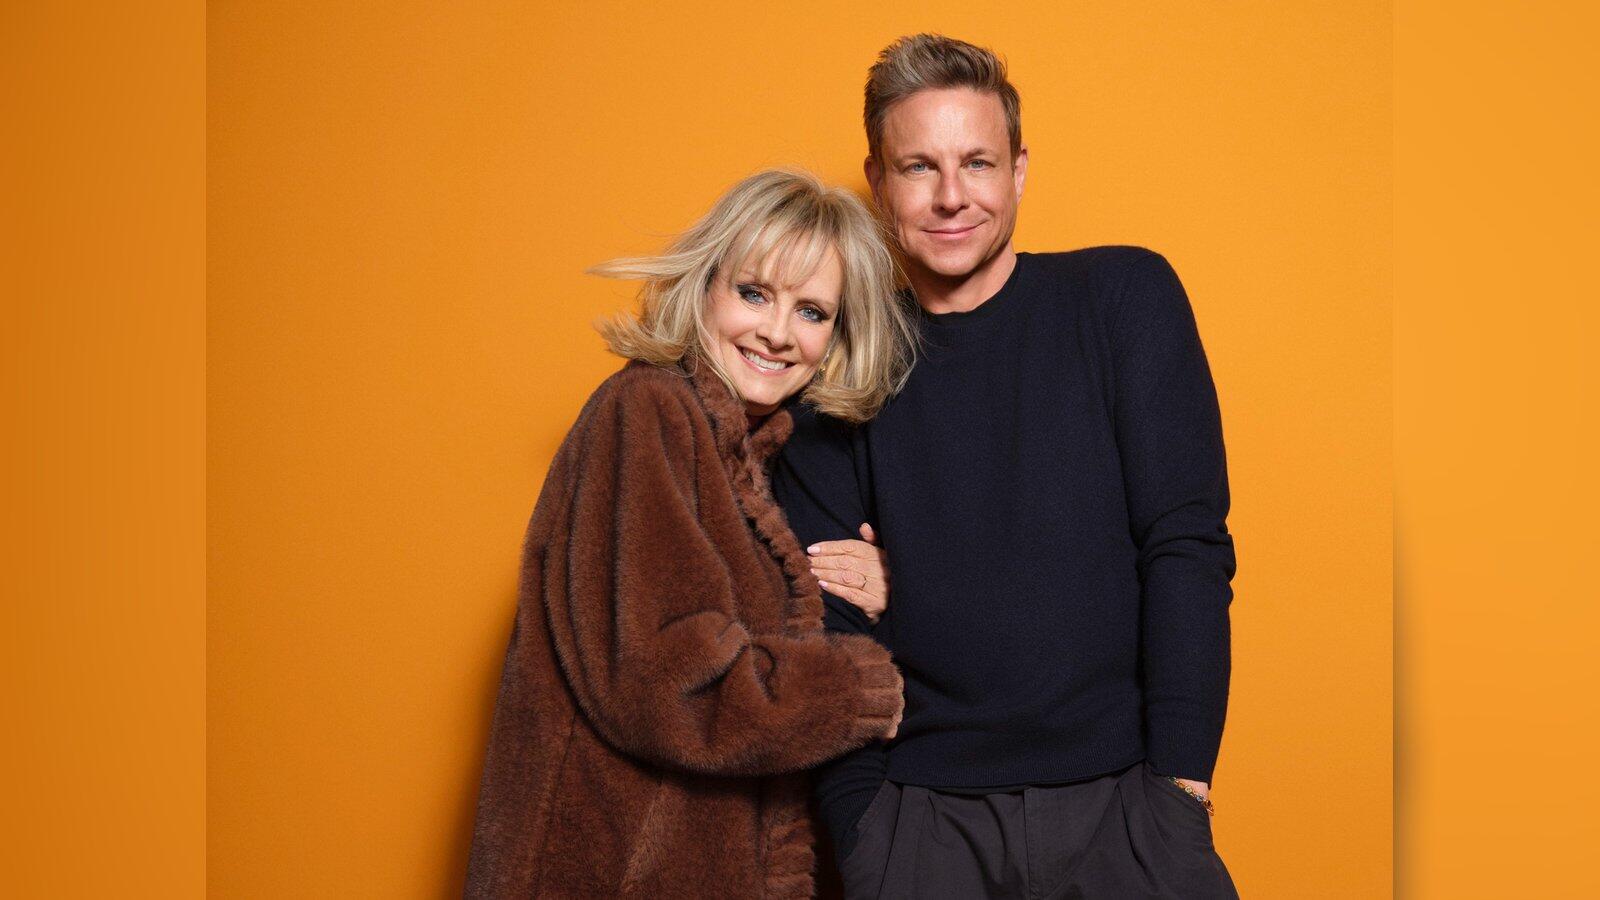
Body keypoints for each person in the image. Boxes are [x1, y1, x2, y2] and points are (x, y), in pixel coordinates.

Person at [772, 36, 1241, 898]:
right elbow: (821, 621)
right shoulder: (837, 365)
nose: (952, 196)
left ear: (1019, 170)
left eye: (977, 162)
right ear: (878, 182)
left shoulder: (1122, 300)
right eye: (919, 166)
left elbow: (1186, 546)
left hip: (1127, 811)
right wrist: (864, 832)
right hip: (919, 824)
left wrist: (1181, 788)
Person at [464, 169, 919, 898]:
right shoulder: (647, 411)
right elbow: (670, 681)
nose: (778, 332)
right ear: (704, 285)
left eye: (811, 311)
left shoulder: (749, 450)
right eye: (754, 294)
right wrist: (860, 688)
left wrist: (884, 577)